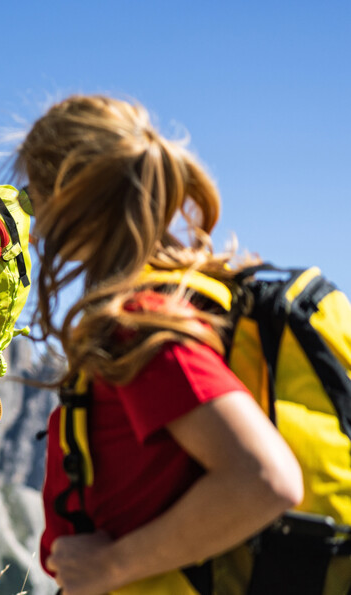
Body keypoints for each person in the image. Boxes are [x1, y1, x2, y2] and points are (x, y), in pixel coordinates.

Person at [16, 95, 303, 595]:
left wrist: (110, 567)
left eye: (33, 197)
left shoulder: (142, 326)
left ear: (68, 198)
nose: (35, 223)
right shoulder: (176, 301)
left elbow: (265, 480)